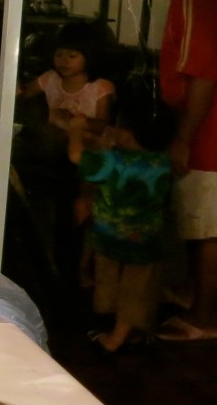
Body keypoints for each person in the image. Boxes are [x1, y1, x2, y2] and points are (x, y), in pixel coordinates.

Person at [67, 96, 176, 352]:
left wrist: (76, 131)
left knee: (109, 281)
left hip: (107, 237)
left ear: (127, 135)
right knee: (137, 289)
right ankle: (131, 331)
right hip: (146, 240)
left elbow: (76, 156)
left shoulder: (112, 162)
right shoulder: (163, 162)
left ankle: (114, 338)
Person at [155, 0, 217, 341]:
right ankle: (196, 295)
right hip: (203, 124)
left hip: (209, 130)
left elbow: (202, 72)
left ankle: (205, 318)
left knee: (207, 226)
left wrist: (183, 138)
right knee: (199, 220)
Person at [20, 21, 115, 134]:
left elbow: (103, 126)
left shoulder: (100, 88)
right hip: (53, 141)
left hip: (84, 143)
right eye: (58, 55)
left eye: (72, 56)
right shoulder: (51, 78)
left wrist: (79, 122)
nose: (63, 61)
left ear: (90, 56)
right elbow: (23, 92)